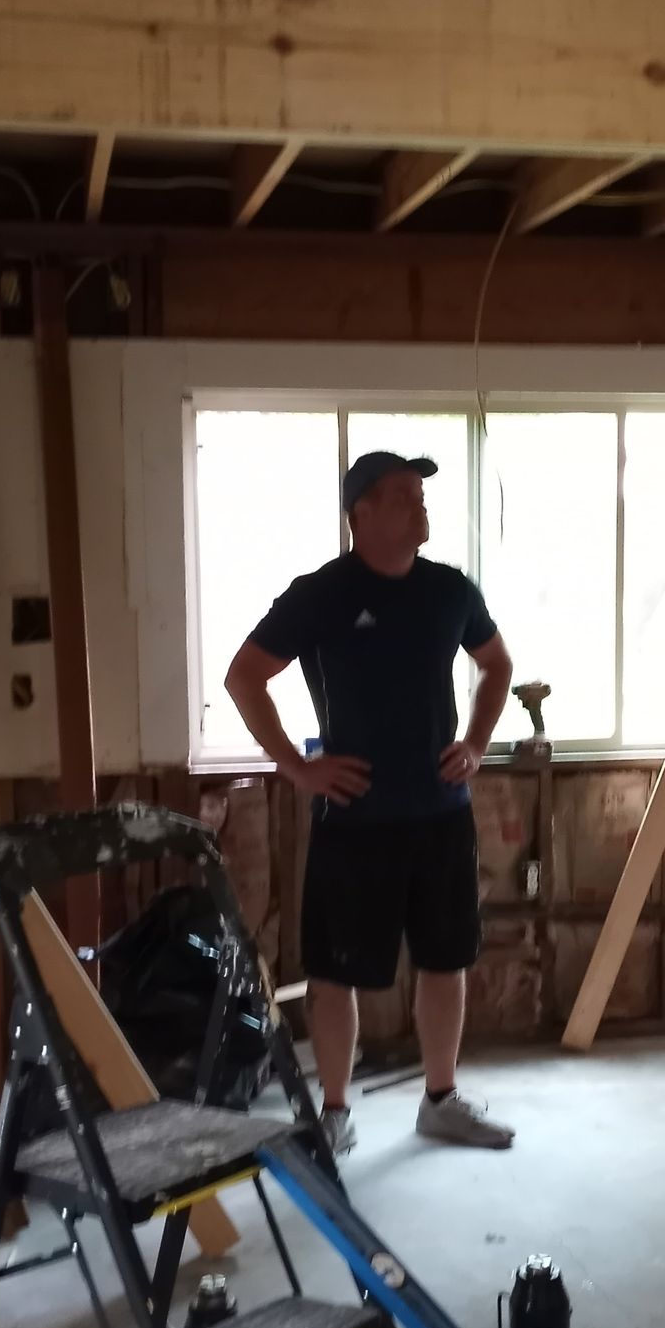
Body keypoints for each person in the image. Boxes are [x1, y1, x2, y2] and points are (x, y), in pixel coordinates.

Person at [224, 450, 517, 1158]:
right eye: (401, 495)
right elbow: (244, 677)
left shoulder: (450, 590)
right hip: (353, 821)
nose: (420, 505)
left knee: (445, 961)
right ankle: (333, 1113)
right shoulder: (322, 593)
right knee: (335, 975)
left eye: (421, 493)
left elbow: (496, 664)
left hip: (440, 813)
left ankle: (441, 1101)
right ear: (361, 513)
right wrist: (297, 767)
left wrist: (476, 742)